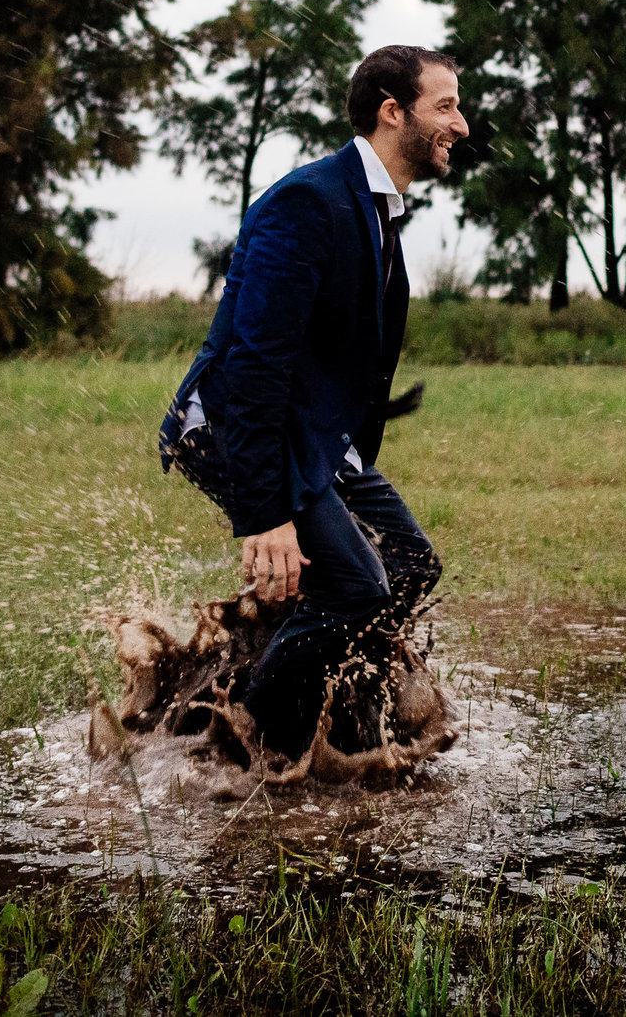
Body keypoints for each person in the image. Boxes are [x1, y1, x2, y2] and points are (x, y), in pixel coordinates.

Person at [158, 45, 470, 755]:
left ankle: (327, 701)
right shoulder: (310, 200)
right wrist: (264, 515)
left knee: (409, 566)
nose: (462, 124)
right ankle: (242, 746)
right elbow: (257, 361)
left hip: (318, 440)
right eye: (446, 105)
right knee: (358, 586)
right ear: (394, 112)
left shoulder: (374, 210)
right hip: (232, 423)